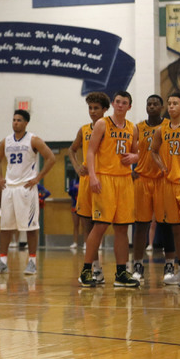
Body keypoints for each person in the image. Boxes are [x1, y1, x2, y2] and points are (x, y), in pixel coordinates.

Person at [78, 91, 140, 287]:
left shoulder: (133, 128)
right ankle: (87, 270)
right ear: (113, 104)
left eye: (125, 103)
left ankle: (121, 273)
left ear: (129, 107)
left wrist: (135, 158)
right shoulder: (102, 124)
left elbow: (137, 153)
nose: (121, 105)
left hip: (124, 181)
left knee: (122, 228)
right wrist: (93, 176)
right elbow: (90, 151)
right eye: (118, 102)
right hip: (105, 179)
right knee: (101, 226)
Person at [0, 109, 55, 275]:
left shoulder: (33, 140)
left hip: (26, 189)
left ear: (26, 123)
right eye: (13, 120)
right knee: (5, 227)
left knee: (30, 227)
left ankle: (32, 262)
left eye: (19, 120)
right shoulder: (5, 141)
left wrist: (38, 178)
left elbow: (51, 158)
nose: (15, 123)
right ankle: (2, 261)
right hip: (9, 189)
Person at [150, 93, 180, 287]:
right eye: (169, 103)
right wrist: (161, 167)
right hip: (169, 184)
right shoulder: (161, 130)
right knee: (176, 229)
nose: (170, 106)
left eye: (175, 103)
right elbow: (153, 151)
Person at [132, 94, 176, 283]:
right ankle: (138, 265)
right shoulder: (138, 128)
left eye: (155, 104)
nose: (151, 106)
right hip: (142, 180)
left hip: (162, 180)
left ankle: (169, 264)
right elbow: (126, 151)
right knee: (141, 224)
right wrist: (129, 170)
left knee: (165, 224)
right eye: (148, 103)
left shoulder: (168, 126)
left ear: (161, 107)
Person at [68, 92, 111, 282]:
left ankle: (123, 267)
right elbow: (71, 149)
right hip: (87, 182)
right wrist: (77, 167)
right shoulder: (84, 129)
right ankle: (96, 269)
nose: (92, 111)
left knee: (104, 225)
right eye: (90, 108)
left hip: (106, 180)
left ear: (104, 110)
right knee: (87, 224)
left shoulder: (112, 128)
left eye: (96, 108)